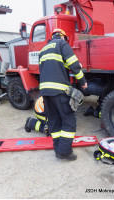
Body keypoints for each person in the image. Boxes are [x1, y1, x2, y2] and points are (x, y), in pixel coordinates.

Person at [39, 29, 87, 161]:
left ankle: (57, 149)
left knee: (54, 121)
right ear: (63, 37)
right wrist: (82, 82)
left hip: (45, 91)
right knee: (69, 120)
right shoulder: (62, 44)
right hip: (59, 90)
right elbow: (74, 64)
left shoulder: (43, 50)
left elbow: (46, 69)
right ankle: (64, 152)